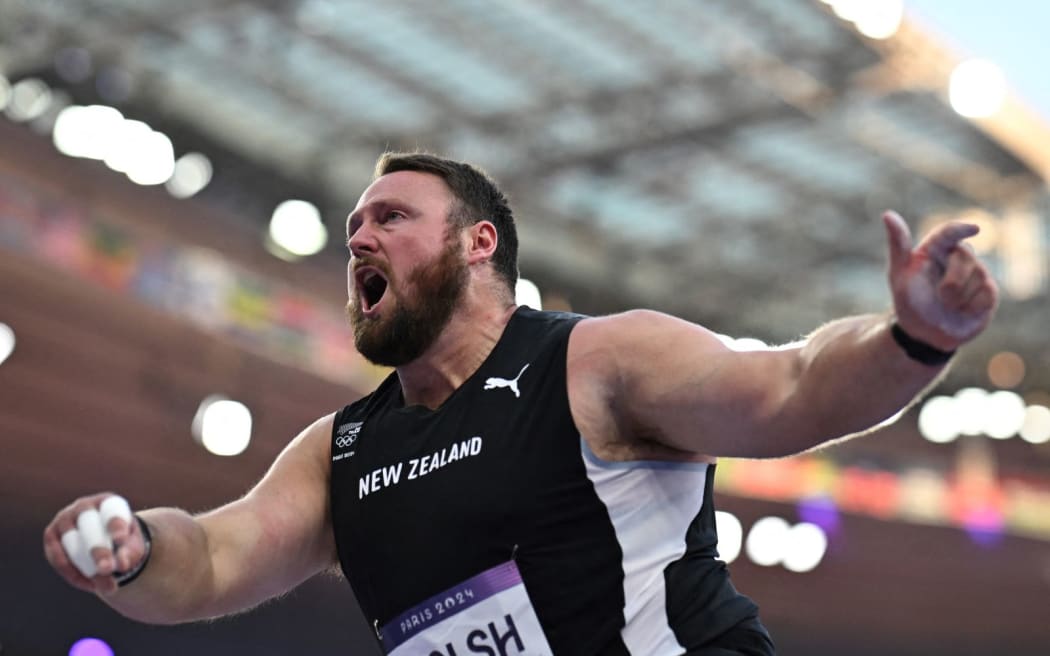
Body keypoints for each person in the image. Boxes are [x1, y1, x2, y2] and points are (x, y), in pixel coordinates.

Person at [44, 152, 998, 656]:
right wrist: (135, 549)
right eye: (351, 229)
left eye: (392, 217)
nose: (359, 239)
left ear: (478, 244)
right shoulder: (342, 449)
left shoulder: (598, 361)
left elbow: (791, 388)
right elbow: (211, 558)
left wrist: (912, 336)